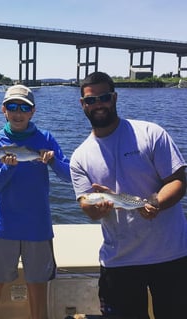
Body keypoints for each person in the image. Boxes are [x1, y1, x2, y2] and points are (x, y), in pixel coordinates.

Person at [70, 71, 187, 319]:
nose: (98, 104)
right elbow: (85, 204)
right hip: (119, 261)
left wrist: (154, 203)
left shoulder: (150, 133)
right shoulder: (80, 156)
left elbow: (177, 181)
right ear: (82, 104)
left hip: (171, 254)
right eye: (91, 100)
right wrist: (94, 209)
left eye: (104, 98)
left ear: (114, 98)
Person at [0, 84, 71, 319]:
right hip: (5, 225)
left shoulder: (46, 138)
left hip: (37, 226)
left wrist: (52, 161)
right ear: (4, 109)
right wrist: (7, 169)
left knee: (37, 285)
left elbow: (68, 176)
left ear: (33, 111)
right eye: (12, 106)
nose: (18, 112)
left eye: (24, 107)